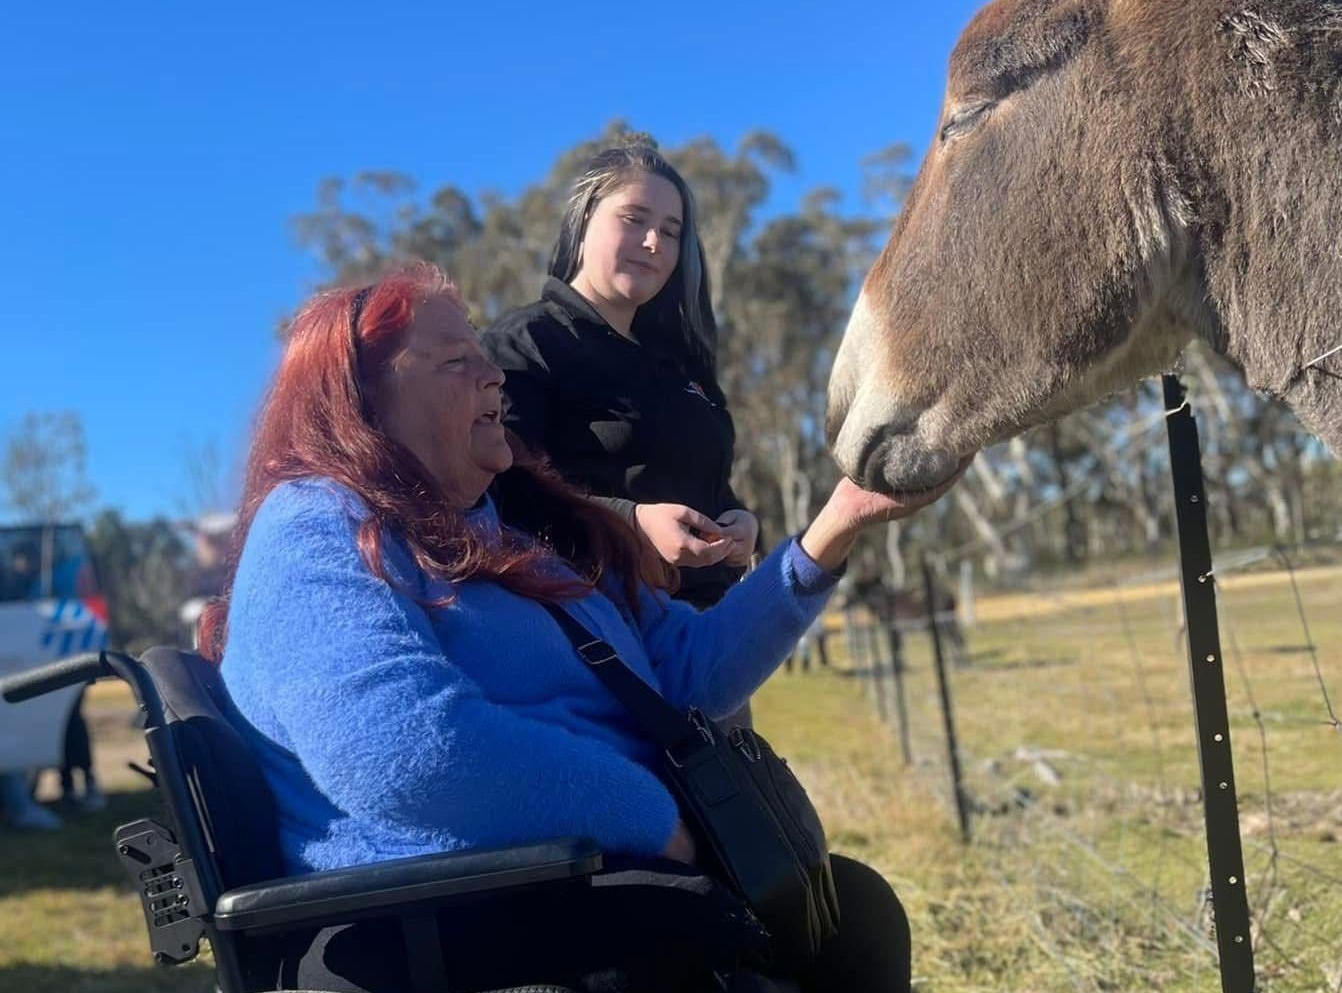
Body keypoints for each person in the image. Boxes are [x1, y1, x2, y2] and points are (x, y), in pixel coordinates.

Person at [202, 264, 962, 992]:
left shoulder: (511, 543)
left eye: (484, 356)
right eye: (456, 361)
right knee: (737, 947)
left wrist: (839, 521)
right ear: (359, 401)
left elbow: (689, 670)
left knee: (852, 914)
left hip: (581, 880)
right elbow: (400, 748)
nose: (493, 374)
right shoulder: (317, 523)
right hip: (433, 918)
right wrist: (651, 818)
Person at [484, 142, 757, 614]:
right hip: (601, 639)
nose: (654, 242)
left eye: (671, 232)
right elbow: (502, 495)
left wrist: (740, 526)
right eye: (634, 219)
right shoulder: (526, 344)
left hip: (713, 639)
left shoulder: (679, 365)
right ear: (583, 221)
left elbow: (704, 482)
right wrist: (630, 524)